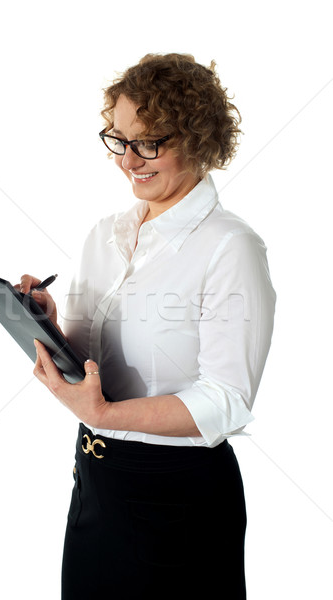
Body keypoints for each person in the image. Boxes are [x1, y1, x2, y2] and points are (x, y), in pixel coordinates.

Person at [19, 53, 276, 599]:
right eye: (119, 139)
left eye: (149, 142)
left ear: (199, 140)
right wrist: (45, 323)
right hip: (94, 484)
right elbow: (92, 363)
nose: (128, 160)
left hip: (177, 500)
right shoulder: (105, 234)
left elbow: (228, 400)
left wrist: (107, 413)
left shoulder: (231, 247)